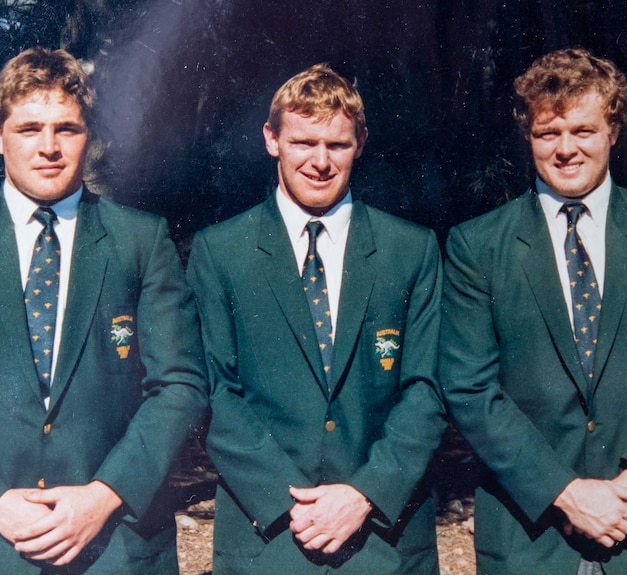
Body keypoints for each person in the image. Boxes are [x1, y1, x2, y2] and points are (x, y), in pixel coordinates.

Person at [0, 47, 208, 574]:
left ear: (88, 135)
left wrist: (103, 495)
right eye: (29, 128)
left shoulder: (140, 240)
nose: (49, 147)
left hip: (115, 547)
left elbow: (181, 385)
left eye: (67, 129)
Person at [440, 47, 627, 574]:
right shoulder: (477, 246)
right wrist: (567, 493)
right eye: (547, 133)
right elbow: (468, 387)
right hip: (530, 539)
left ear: (614, 131)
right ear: (528, 137)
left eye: (583, 130)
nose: (565, 149)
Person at [186, 63, 447, 574]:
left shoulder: (411, 250)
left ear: (362, 143)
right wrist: (292, 505)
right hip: (267, 537)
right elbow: (213, 391)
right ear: (271, 140)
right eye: (304, 142)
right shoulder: (221, 252)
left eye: (338, 145)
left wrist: (364, 494)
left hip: (384, 538)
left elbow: (428, 388)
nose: (320, 162)